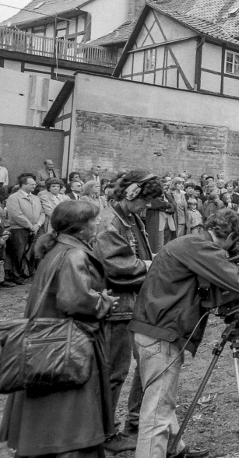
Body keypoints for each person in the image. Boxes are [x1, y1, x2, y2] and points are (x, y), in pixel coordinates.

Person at [130, 209, 239, 458]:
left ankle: (175, 450)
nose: (232, 248)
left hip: (154, 327)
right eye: (233, 242)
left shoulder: (190, 242)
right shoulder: (201, 246)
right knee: (157, 411)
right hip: (161, 333)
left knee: (162, 398)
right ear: (228, 236)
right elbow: (236, 281)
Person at [0, 200, 118, 458]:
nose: (97, 224)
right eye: (93, 221)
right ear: (80, 227)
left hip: (47, 339)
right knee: (71, 414)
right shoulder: (74, 254)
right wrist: (104, 301)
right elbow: (74, 300)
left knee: (47, 408)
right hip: (67, 344)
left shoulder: (58, 248)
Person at [94, 170, 164, 452]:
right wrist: (151, 265)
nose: (147, 208)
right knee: (115, 372)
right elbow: (115, 266)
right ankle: (105, 434)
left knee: (147, 363)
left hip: (136, 302)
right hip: (117, 307)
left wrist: (151, 261)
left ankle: (135, 422)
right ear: (131, 193)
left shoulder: (131, 217)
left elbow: (139, 257)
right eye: (144, 202)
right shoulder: (109, 222)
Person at [6, 173, 44, 284]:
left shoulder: (36, 197)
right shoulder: (13, 198)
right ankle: (16, 276)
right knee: (18, 253)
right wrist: (30, 226)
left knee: (34, 252)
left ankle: (29, 273)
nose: (35, 186)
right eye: (32, 184)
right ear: (23, 185)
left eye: (35, 184)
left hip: (36, 228)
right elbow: (16, 214)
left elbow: (42, 213)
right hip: (18, 229)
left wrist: (38, 224)